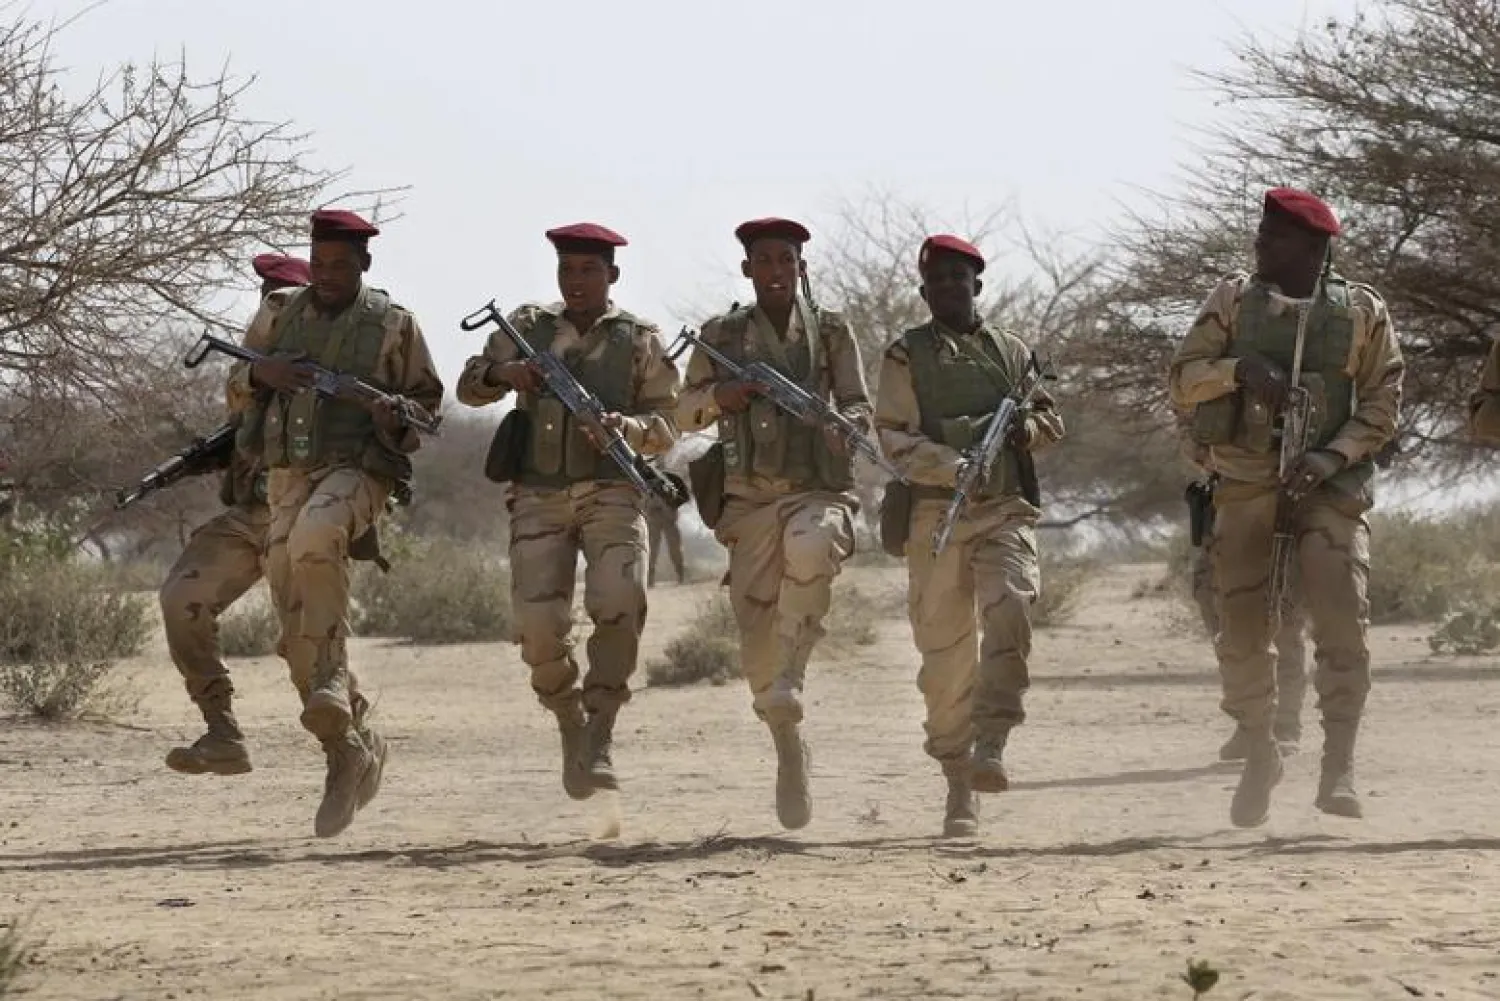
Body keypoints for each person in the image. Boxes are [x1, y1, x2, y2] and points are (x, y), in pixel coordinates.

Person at [1168, 187, 1403, 827]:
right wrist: (1239, 371)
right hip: (1244, 484)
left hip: (1327, 487)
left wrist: (1331, 457)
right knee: (1240, 632)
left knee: (1339, 618)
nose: (1259, 244)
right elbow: (1182, 377)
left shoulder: (1361, 312)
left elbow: (1383, 403)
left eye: (1273, 236)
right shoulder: (1232, 300)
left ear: (1313, 247)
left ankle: (1339, 765)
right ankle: (1261, 748)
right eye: (1261, 232)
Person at [226, 209, 444, 837]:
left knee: (316, 538)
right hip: (288, 471)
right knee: (292, 613)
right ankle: (349, 749)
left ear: (364, 266)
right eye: (317, 264)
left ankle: (329, 683)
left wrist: (388, 414)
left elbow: (426, 408)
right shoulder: (278, 314)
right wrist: (260, 373)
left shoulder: (394, 325)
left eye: (339, 266)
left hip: (359, 471)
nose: (324, 276)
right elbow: (236, 386)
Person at [455, 223, 680, 801]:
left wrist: (625, 427)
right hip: (539, 493)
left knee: (621, 604)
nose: (576, 281)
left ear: (612, 275)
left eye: (588, 271)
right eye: (566, 270)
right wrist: (507, 374)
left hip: (612, 490)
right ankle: (567, 719)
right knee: (536, 629)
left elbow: (669, 425)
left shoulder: (641, 339)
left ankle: (600, 729)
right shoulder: (527, 328)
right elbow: (467, 387)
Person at [676, 217, 872, 831]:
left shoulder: (833, 332)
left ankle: (791, 677)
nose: (776, 272)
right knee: (756, 640)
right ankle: (789, 749)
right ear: (748, 269)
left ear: (801, 267)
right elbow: (683, 412)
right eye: (764, 261)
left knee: (813, 549)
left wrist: (845, 426)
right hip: (749, 501)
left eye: (786, 260)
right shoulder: (721, 336)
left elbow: (860, 404)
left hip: (817, 488)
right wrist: (723, 398)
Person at [874, 235, 1064, 837]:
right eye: (938, 280)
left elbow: (1051, 417)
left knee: (1011, 605)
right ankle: (958, 782)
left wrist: (1022, 434)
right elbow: (893, 438)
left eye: (960, 278)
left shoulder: (1011, 352)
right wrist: (954, 465)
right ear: (924, 290)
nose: (950, 289)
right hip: (937, 514)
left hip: (1005, 508)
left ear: (978, 284)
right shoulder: (905, 356)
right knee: (946, 657)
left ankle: (992, 739)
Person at [161, 253, 310, 778]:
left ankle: (351, 742)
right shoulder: (246, 373)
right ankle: (221, 731)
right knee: (182, 598)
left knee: (308, 646)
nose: (273, 308)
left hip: (301, 522)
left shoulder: (331, 373)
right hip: (248, 516)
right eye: (268, 298)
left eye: (284, 299)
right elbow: (242, 412)